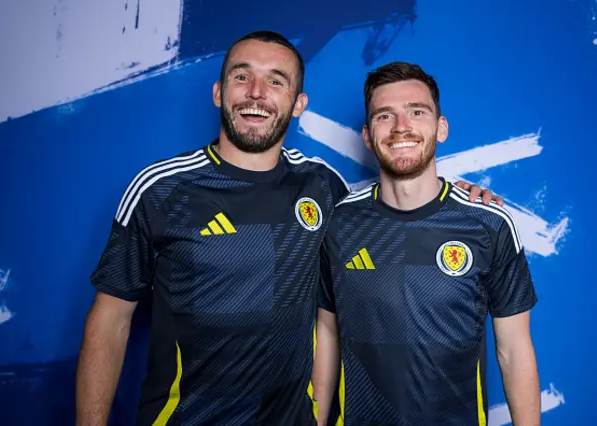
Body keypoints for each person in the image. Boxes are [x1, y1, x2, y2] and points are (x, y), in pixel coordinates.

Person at [75, 31, 499, 426]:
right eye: (242, 77)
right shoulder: (161, 190)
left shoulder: (323, 186)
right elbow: (110, 321)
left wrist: (460, 198)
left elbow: (397, 209)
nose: (256, 94)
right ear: (219, 93)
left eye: (276, 82)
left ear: (298, 103)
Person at [313, 62, 540, 426]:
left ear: (441, 127)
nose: (401, 127)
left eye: (416, 112)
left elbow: (514, 349)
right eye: (385, 116)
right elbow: (326, 332)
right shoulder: (338, 224)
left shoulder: (489, 224)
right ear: (368, 136)